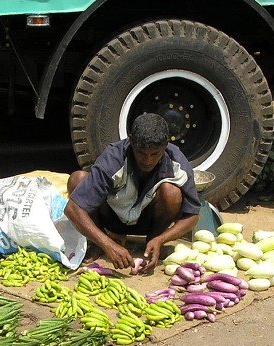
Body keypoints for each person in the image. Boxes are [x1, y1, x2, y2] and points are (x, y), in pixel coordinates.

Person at [65, 113, 201, 274]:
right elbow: (72, 208)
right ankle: (98, 243)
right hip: (111, 219)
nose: (147, 160)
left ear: (166, 146)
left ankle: (152, 244)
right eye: (141, 153)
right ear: (131, 142)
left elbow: (193, 215)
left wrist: (161, 239)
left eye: (155, 154)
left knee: (172, 193)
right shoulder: (114, 158)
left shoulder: (177, 162)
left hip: (149, 223)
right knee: (78, 180)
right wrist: (107, 244)